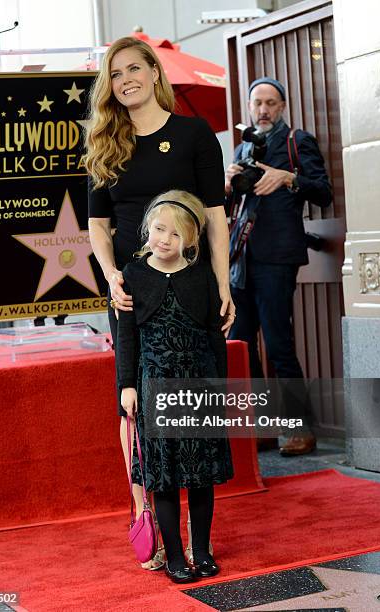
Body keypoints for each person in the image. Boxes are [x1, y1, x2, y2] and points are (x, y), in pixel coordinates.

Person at [84, 36, 234, 569]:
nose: (124, 79)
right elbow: (98, 225)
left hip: (192, 291)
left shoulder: (194, 135)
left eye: (133, 69)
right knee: (138, 409)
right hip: (133, 292)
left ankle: (201, 542)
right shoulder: (106, 143)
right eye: (114, 73)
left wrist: (222, 283)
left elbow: (215, 216)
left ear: (153, 72)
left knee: (197, 412)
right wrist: (111, 279)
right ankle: (155, 530)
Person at [117, 190, 233, 583]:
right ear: (147, 228)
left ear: (191, 241)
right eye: (158, 229)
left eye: (175, 234)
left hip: (197, 384)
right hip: (154, 385)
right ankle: (175, 558)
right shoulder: (133, 276)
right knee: (163, 478)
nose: (164, 239)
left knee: (200, 477)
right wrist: (126, 386)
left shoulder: (202, 275)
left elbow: (215, 334)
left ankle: (200, 548)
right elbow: (127, 337)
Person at [225, 77, 332, 456]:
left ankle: (301, 430)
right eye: (258, 103)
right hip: (242, 257)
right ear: (250, 107)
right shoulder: (242, 148)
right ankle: (263, 429)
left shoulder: (296, 142)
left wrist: (288, 178)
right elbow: (232, 207)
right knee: (239, 343)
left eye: (271, 103)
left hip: (277, 258)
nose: (264, 110)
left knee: (278, 343)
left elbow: (323, 192)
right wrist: (225, 186)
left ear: (283, 107)